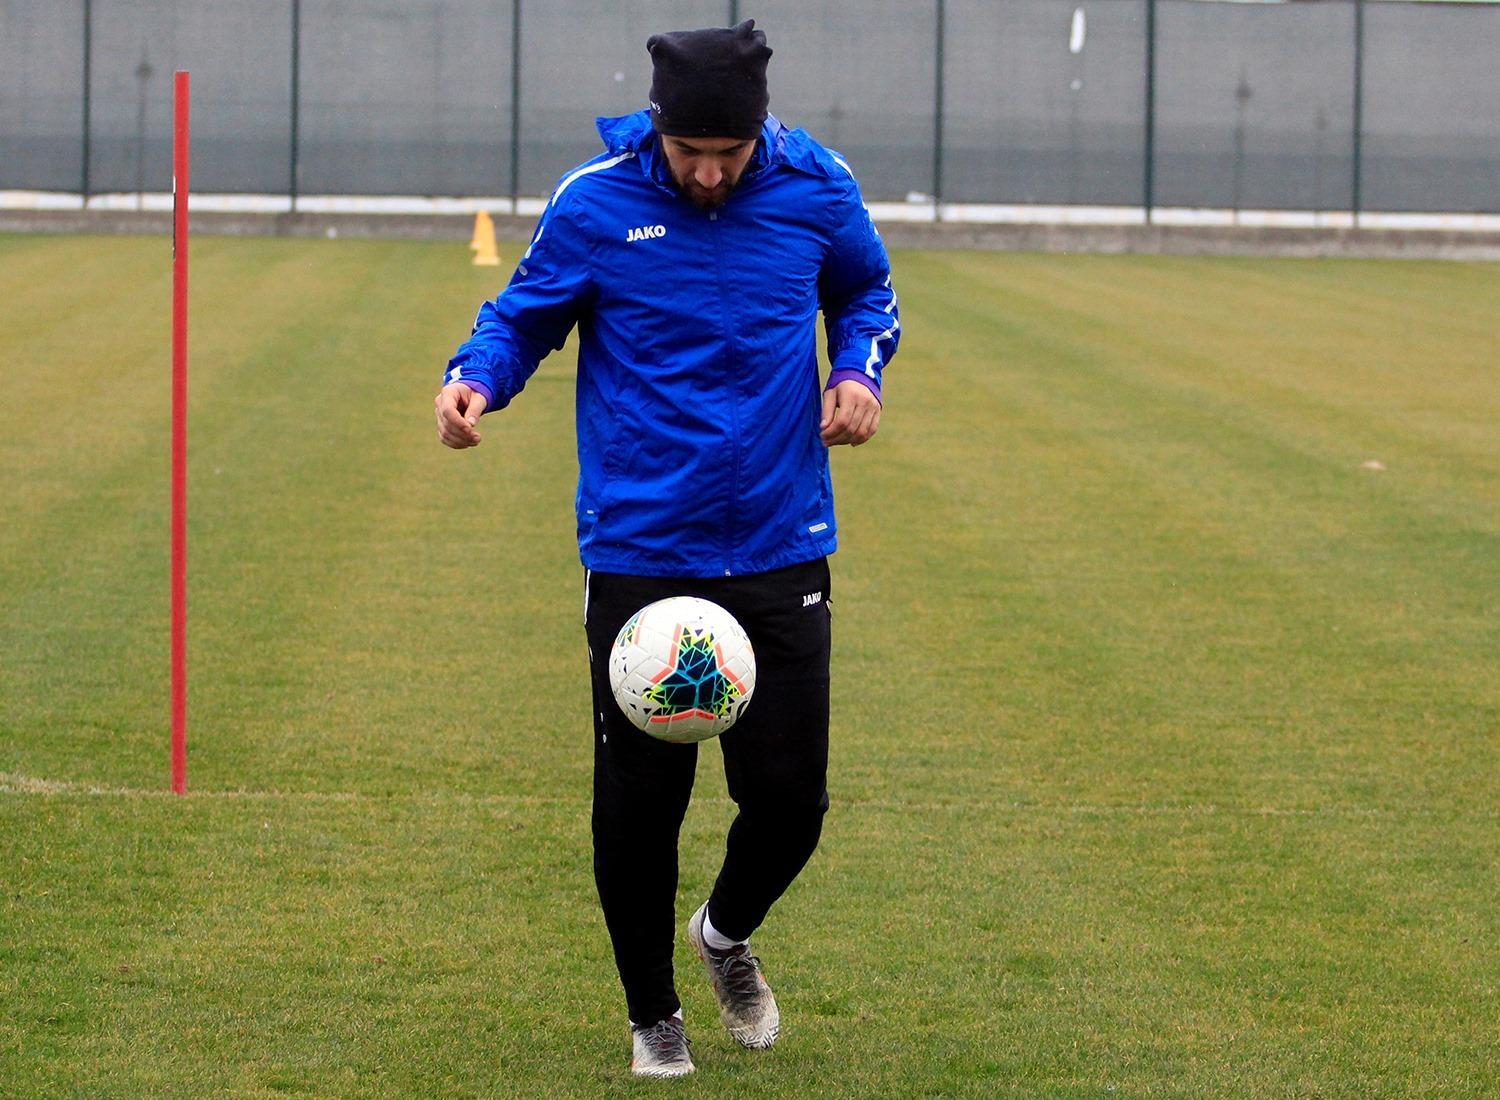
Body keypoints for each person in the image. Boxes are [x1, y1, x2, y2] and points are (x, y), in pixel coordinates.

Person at [434, 19, 899, 1079]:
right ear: (657, 129)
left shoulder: (818, 186)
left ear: (759, 134)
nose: (708, 173)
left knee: (791, 802)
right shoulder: (594, 201)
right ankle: (654, 1014)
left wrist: (857, 371)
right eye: (690, 153)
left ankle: (723, 936)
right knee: (640, 808)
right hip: (643, 550)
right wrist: (475, 379)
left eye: (728, 155)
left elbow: (865, 291)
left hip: (780, 541)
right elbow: (522, 317)